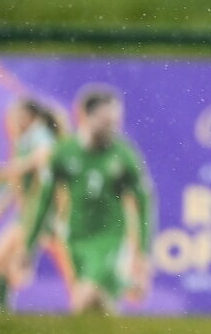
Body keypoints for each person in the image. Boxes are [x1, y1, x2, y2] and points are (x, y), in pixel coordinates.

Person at [25, 86, 154, 314]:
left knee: (84, 298)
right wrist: (29, 245)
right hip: (76, 237)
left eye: (116, 120)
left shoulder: (123, 154)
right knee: (97, 307)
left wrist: (142, 253)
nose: (112, 126)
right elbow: (44, 199)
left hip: (111, 239)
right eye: (106, 120)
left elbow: (144, 200)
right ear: (84, 116)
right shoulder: (65, 152)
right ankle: (124, 288)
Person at [0, 99, 68, 311]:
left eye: (14, 116)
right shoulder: (24, 139)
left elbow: (40, 159)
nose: (10, 121)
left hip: (42, 212)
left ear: (28, 116)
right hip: (29, 212)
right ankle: (1, 314)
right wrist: (3, 201)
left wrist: (2, 172)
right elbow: (23, 178)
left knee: (4, 263)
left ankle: (1, 312)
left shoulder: (39, 135)